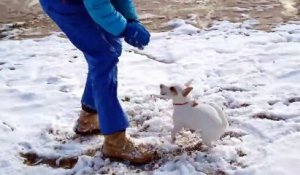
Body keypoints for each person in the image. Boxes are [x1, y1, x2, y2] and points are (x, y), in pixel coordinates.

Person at [39, 0, 153, 164]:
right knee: (104, 55)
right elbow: (97, 4)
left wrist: (131, 20)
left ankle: (88, 118)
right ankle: (115, 142)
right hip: (63, 4)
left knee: (110, 47)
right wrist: (125, 28)